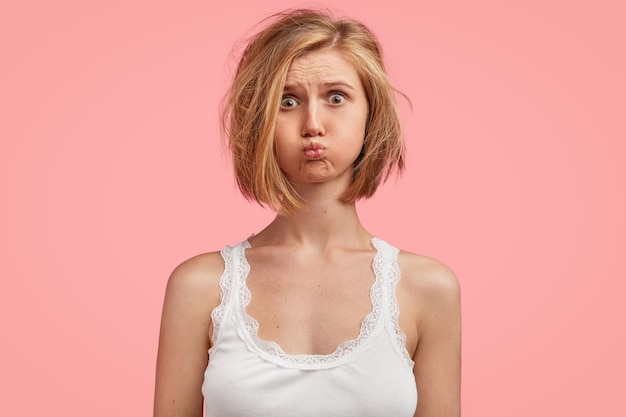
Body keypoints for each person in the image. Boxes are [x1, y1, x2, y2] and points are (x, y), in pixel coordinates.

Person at [154, 8, 461, 417]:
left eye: (336, 98)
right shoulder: (199, 288)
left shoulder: (429, 289)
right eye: (288, 100)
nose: (313, 123)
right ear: (259, 119)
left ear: (372, 113)